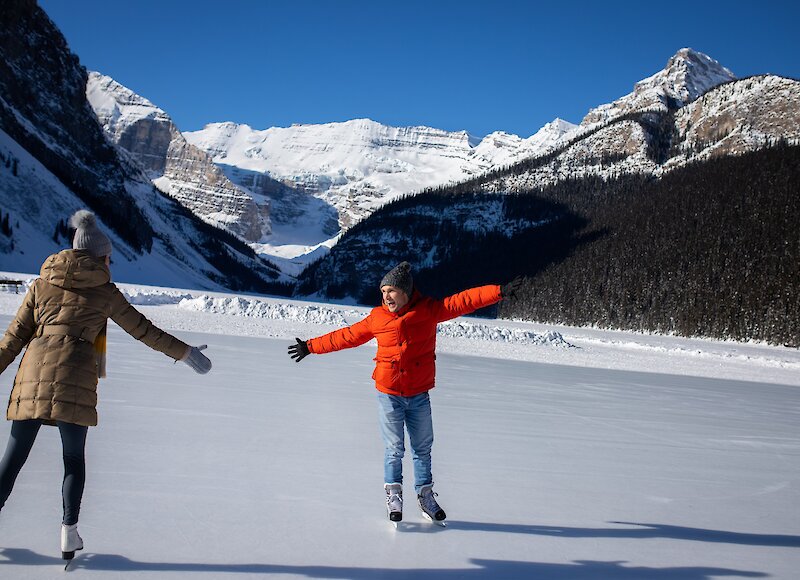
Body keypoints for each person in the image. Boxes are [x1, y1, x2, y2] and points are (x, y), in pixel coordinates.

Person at [0, 210, 212, 564]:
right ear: (101, 256)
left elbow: (11, 340)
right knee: (73, 459)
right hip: (76, 379)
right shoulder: (105, 292)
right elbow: (143, 330)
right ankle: (69, 530)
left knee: (13, 458)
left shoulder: (41, 285)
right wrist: (185, 352)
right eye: (108, 256)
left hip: (32, 376)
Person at [288, 261, 522, 525]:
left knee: (423, 449)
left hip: (419, 395)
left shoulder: (429, 311)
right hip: (388, 394)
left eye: (392, 290)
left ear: (406, 292)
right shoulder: (378, 318)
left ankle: (425, 496)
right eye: (383, 291)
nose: (386, 296)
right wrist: (311, 346)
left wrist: (497, 291)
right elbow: (348, 335)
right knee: (394, 449)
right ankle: (394, 495)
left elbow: (462, 301)